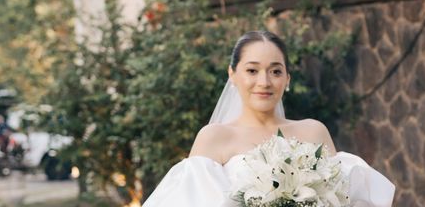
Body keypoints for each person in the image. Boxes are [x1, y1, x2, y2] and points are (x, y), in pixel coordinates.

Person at [142, 30, 395, 207]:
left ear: (287, 79)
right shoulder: (214, 138)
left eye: (275, 71)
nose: (264, 82)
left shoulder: (313, 132)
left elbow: (343, 200)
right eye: (252, 70)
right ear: (233, 74)